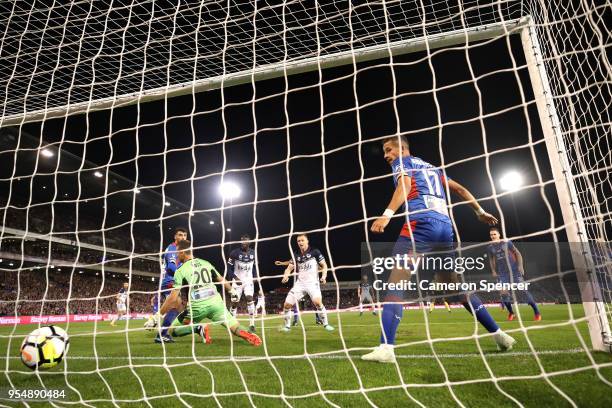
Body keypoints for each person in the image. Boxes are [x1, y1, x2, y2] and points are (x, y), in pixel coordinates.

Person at [362, 135, 515, 363]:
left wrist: (386, 215)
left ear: (402, 149)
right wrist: (479, 211)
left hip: (420, 225)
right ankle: (500, 335)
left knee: (396, 283)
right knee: (455, 286)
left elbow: (405, 185)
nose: (386, 155)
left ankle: (386, 348)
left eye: (389, 150)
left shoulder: (402, 163)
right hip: (445, 228)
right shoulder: (434, 169)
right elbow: (461, 189)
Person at [160, 240, 261, 346]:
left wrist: (158, 315)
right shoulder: (205, 263)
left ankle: (198, 328)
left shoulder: (180, 270)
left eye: (177, 253)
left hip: (197, 308)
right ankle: (250, 335)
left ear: (182, 252)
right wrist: (232, 291)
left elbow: (173, 298)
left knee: (173, 330)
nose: (176, 255)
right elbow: (221, 279)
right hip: (216, 304)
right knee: (234, 326)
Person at [280, 234, 334, 332]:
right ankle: (287, 326)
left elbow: (324, 265)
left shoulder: (315, 252)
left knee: (318, 302)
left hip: (312, 283)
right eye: (298, 241)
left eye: (302, 240)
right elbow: (288, 269)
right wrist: (286, 276)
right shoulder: (296, 254)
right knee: (287, 305)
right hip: (300, 284)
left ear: (307, 241)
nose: (300, 242)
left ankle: (326, 324)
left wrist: (324, 276)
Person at [488, 226, 541, 321]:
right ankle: (511, 313)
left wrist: (520, 266)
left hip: (514, 271)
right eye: (491, 235)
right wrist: (493, 270)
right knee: (503, 293)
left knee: (523, 291)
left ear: (499, 235)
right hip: (503, 273)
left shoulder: (507, 242)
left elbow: (518, 253)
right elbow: (491, 259)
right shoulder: (490, 247)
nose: (493, 236)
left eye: (494, 234)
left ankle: (537, 312)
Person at [156, 227, 188, 343]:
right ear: (175, 236)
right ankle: (161, 333)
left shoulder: (181, 251)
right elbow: (171, 267)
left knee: (178, 308)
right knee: (175, 306)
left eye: (184, 235)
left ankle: (164, 332)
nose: (183, 237)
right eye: (180, 235)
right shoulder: (172, 248)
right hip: (169, 281)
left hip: (174, 282)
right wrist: (185, 275)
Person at [227, 234, 261, 332]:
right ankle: (232, 322)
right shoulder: (234, 253)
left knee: (249, 298)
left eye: (245, 241)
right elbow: (228, 268)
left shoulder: (253, 253)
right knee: (234, 302)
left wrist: (254, 277)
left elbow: (255, 267)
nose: (243, 243)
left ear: (249, 242)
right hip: (237, 280)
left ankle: (252, 324)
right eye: (242, 241)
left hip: (248, 280)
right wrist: (234, 277)